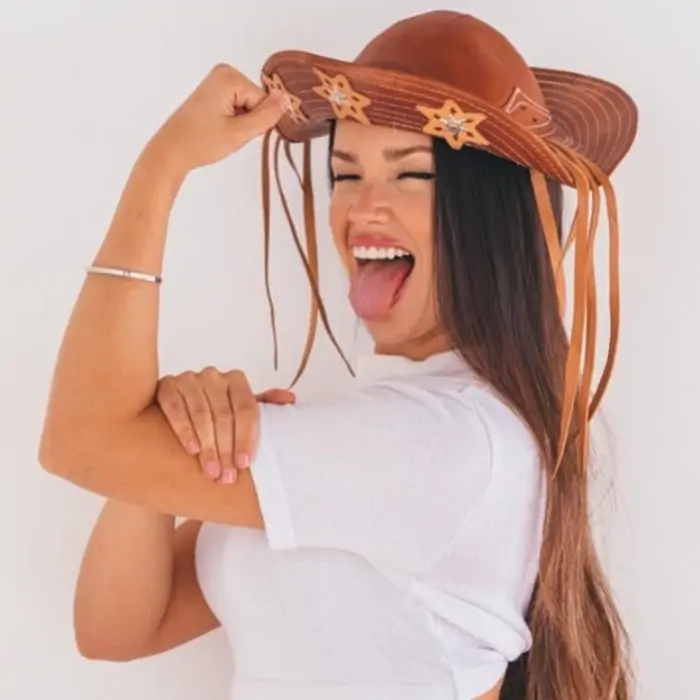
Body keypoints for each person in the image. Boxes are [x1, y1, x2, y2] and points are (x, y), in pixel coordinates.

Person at [38, 10, 638, 700]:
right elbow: (117, 628)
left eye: (410, 175)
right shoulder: (396, 431)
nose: (361, 209)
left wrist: (164, 165)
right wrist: (174, 434)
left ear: (491, 217)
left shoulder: (451, 440)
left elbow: (79, 440)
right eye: (345, 175)